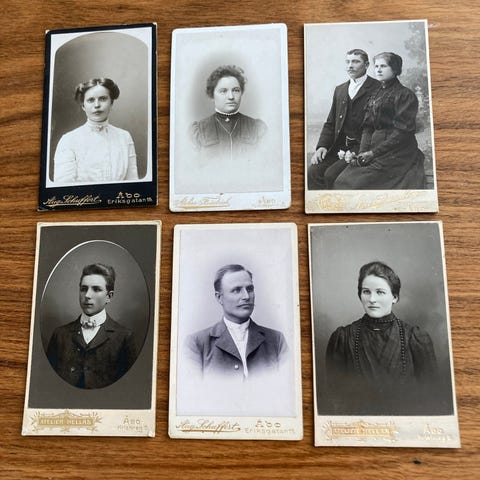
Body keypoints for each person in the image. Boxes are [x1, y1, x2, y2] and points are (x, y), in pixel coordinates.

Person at [325, 261, 437, 415]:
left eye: (380, 292)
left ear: (395, 297)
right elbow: (335, 397)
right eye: (366, 292)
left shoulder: (415, 338)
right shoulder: (343, 338)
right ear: (360, 295)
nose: (372, 299)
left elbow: (430, 396)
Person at [333, 52, 426, 189]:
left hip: (398, 151)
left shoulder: (405, 95)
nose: (378, 70)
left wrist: (373, 153)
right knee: (342, 180)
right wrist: (362, 152)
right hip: (373, 147)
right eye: (376, 66)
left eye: (383, 66)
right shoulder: (375, 94)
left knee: (354, 183)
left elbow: (402, 133)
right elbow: (367, 127)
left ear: (395, 69)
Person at [185, 264, 287, 381]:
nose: (246, 296)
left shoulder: (276, 340)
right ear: (219, 298)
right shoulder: (197, 343)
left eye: (250, 289)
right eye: (236, 290)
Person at [46, 263, 137, 389]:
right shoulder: (60, 334)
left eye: (96, 289)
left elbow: (129, 388)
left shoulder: (124, 337)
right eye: (84, 289)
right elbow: (48, 383)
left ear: (109, 296)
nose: (87, 295)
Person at [308, 49, 380, 189]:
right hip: (339, 146)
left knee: (331, 175)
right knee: (313, 172)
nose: (350, 66)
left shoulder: (377, 88)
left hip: (363, 146)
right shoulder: (340, 89)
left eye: (355, 62)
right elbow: (331, 123)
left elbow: (380, 126)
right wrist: (322, 146)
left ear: (366, 65)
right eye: (347, 62)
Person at [53, 77, 139, 184]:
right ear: (83, 106)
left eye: (103, 99)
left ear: (111, 103)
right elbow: (63, 186)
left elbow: (133, 182)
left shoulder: (124, 137)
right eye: (91, 100)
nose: (97, 105)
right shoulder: (69, 140)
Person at [190, 65, 267, 163]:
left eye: (236, 90)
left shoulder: (257, 128)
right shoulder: (198, 131)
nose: (231, 97)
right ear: (212, 95)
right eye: (223, 91)